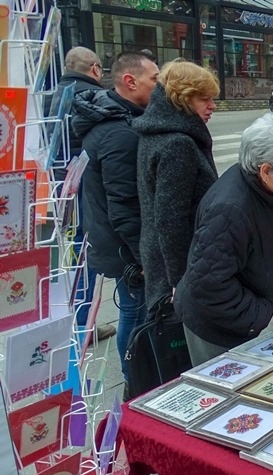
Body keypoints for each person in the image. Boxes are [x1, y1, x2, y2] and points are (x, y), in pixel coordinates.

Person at [174, 113, 273, 365]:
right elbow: (209, 285)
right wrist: (258, 313)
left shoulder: (259, 184)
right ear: (266, 170)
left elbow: (269, 217)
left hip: (235, 316)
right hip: (218, 327)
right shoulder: (230, 209)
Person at [71, 52, 159, 386]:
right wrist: (142, 258)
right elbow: (124, 206)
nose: (159, 84)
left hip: (111, 239)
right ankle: (134, 378)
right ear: (129, 81)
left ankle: (135, 374)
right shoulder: (121, 133)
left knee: (132, 310)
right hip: (125, 247)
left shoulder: (115, 121)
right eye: (154, 78)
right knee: (134, 312)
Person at [135, 60, 219, 314]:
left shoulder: (158, 132)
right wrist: (180, 279)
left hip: (160, 256)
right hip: (179, 265)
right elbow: (171, 219)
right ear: (183, 99)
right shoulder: (178, 143)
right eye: (204, 99)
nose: (212, 106)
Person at [44, 46, 114, 342]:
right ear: (95, 68)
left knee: (67, 256)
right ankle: (83, 326)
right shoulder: (94, 97)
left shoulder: (52, 95)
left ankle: (71, 322)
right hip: (85, 189)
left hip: (57, 186)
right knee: (85, 252)